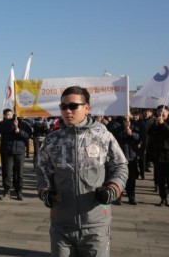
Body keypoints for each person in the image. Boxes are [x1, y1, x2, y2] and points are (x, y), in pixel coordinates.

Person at [36, 86, 128, 257]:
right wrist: (45, 192)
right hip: (61, 225)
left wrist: (112, 189)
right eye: (63, 107)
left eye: (73, 106)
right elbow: (42, 171)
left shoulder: (103, 136)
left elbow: (120, 166)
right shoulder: (52, 140)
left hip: (95, 226)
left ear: (87, 108)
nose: (67, 111)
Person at [148, 105, 169, 207]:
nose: (160, 113)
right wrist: (156, 125)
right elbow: (150, 133)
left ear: (168, 112)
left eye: (162, 111)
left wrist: (163, 124)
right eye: (158, 111)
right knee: (160, 180)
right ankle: (163, 198)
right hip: (159, 156)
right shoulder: (156, 122)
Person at [0, 108, 32, 200]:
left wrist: (19, 131)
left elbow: (28, 135)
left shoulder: (25, 123)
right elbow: (0, 130)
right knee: (7, 172)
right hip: (7, 150)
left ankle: (18, 191)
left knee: (19, 173)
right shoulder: (4, 123)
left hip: (19, 151)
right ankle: (6, 190)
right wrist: (13, 125)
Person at [111, 116, 140, 205]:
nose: (127, 122)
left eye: (129, 121)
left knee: (131, 178)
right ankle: (118, 197)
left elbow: (138, 138)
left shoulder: (135, 128)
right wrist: (124, 130)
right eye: (125, 120)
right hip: (120, 157)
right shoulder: (117, 129)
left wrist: (131, 134)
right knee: (119, 177)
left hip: (131, 157)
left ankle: (131, 196)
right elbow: (115, 139)